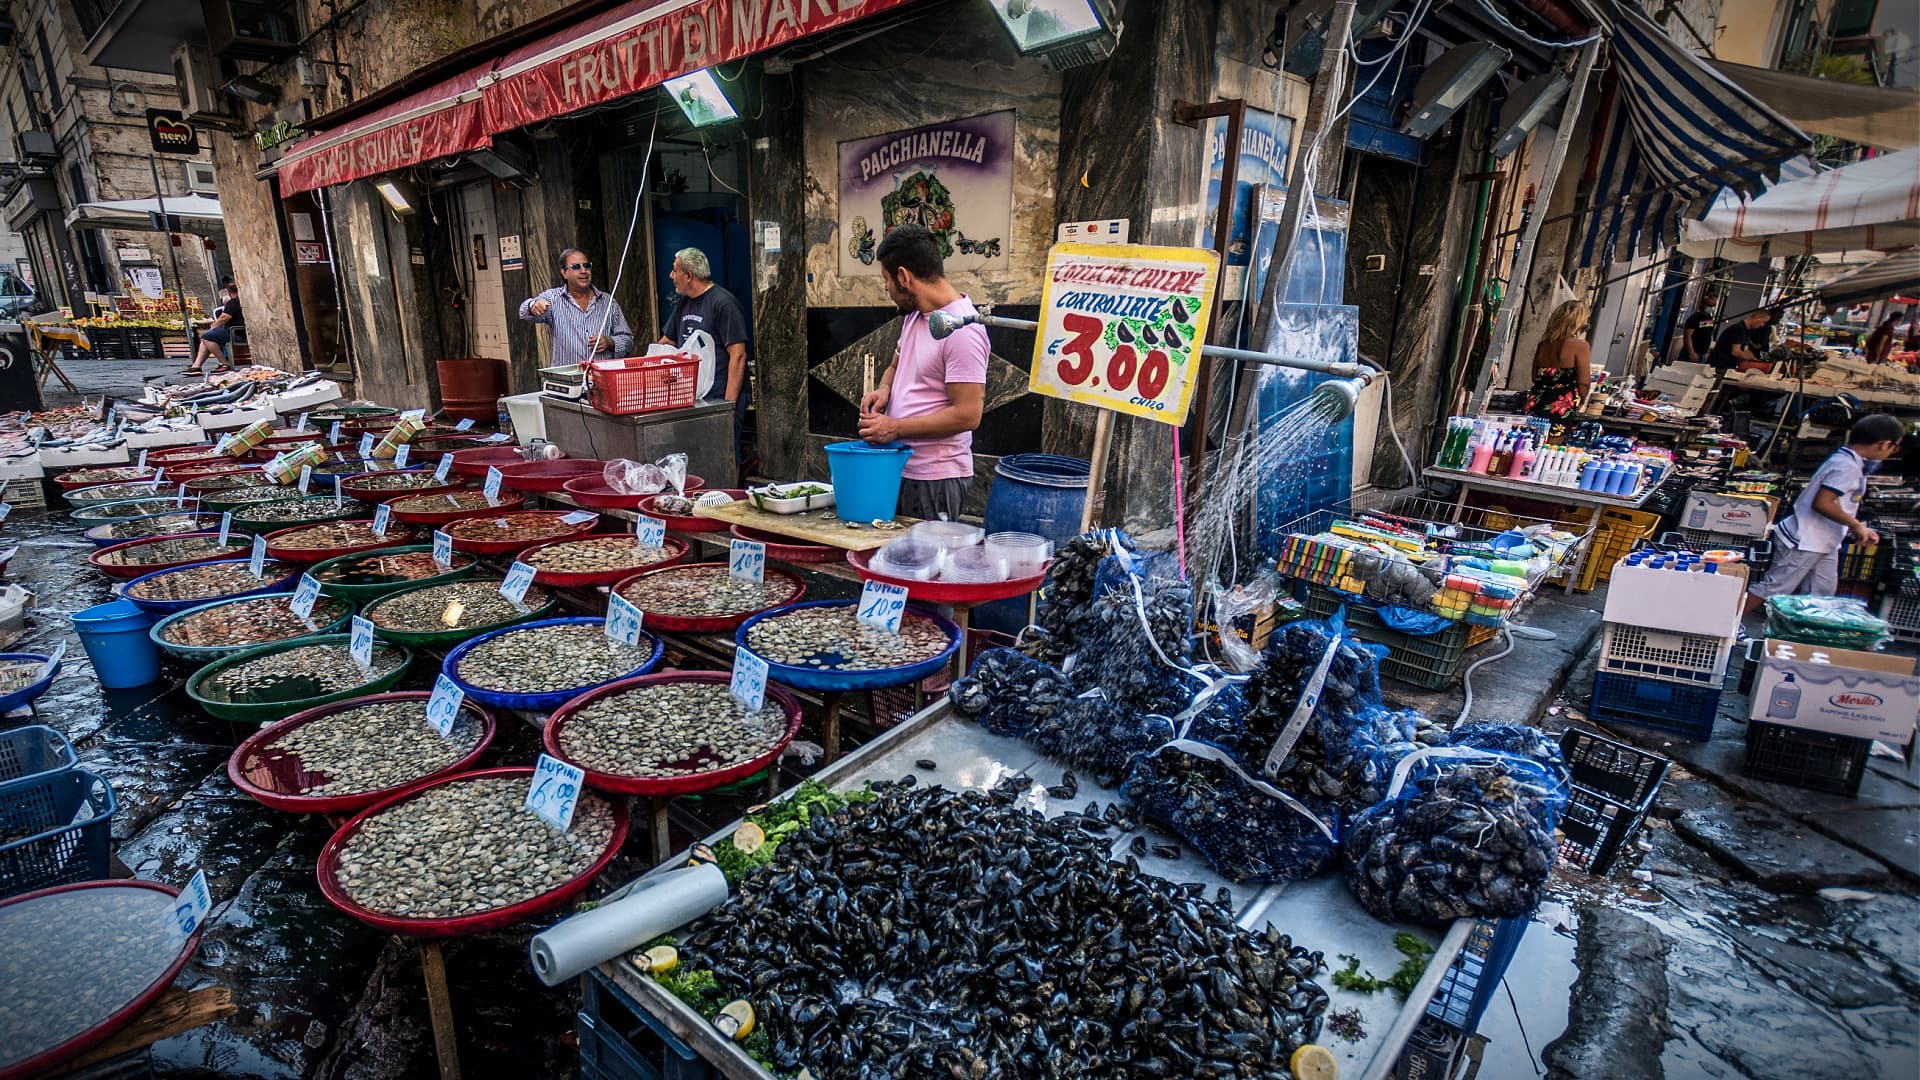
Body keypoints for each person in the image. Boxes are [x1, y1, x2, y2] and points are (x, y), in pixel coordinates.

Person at [857, 223, 987, 522]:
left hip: (935, 478)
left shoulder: (962, 330)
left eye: (887, 280)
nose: (886, 289)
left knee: (923, 568)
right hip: (900, 466)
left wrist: (895, 428)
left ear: (904, 277)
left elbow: (968, 415)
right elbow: (895, 365)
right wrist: (884, 391)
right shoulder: (915, 316)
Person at [1742, 413, 1906, 618]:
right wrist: (1856, 525)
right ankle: (1726, 623)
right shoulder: (1847, 467)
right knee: (1775, 588)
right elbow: (1822, 503)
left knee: (1821, 595)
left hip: (1824, 540)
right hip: (1806, 539)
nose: (1892, 452)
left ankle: (1800, 637)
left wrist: (1855, 526)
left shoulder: (1846, 460)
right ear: (1884, 444)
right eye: (1895, 447)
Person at [657, 247, 749, 405]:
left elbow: (738, 356)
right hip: (693, 397)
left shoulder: (724, 304)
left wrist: (728, 406)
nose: (671, 275)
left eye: (674, 270)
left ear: (688, 276)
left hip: (719, 398)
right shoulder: (684, 303)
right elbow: (667, 342)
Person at [518, 248, 632, 365]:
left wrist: (609, 341)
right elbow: (524, 312)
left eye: (587, 266)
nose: (584, 271)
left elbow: (628, 341)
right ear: (564, 273)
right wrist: (533, 305)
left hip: (602, 380)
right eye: (576, 267)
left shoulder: (608, 301)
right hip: (568, 381)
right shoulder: (553, 298)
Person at [1523, 300, 1592, 424]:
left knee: (1530, 441)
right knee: (1552, 443)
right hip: (1561, 405)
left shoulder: (1543, 345)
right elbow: (1584, 382)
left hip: (1535, 401)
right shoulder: (1580, 346)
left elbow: (1535, 377)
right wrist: (1582, 400)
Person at [183, 278, 242, 376]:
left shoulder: (234, 302)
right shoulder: (239, 301)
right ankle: (196, 366)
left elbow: (224, 317)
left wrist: (213, 326)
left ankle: (224, 363)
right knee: (205, 338)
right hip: (235, 331)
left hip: (235, 333)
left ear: (229, 292)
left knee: (206, 337)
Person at [1707, 308, 1773, 373]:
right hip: (1719, 366)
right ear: (1758, 317)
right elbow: (1736, 351)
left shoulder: (1745, 331)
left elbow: (1745, 350)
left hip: (1727, 367)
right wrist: (1753, 359)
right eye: (1763, 322)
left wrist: (1755, 360)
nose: (1762, 325)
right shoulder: (1738, 329)